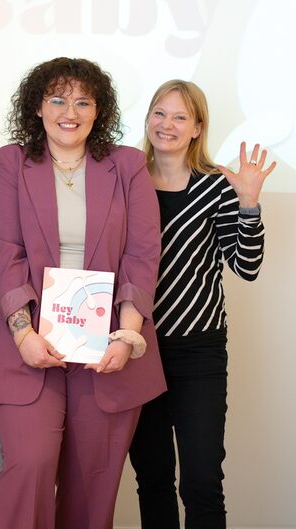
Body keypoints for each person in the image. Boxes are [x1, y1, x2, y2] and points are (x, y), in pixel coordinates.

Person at [0, 57, 166, 529]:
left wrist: (126, 336)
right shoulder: (9, 163)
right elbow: (4, 252)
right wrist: (24, 334)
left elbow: (142, 254)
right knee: (31, 465)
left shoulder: (127, 165)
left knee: (94, 482)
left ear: (98, 111)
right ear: (37, 107)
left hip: (109, 344)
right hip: (26, 343)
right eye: (58, 99)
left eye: (84, 101)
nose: (71, 111)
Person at [128, 79, 277, 529]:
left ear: (197, 128)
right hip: (137, 349)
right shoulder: (127, 181)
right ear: (148, 118)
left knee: (201, 481)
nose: (167, 124)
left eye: (179, 117)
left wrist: (248, 203)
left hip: (200, 352)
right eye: (159, 113)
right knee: (152, 477)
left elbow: (245, 266)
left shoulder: (217, 187)